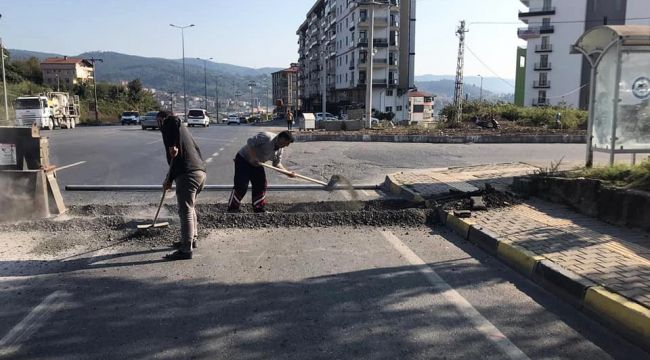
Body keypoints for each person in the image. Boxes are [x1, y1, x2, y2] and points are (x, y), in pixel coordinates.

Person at [157, 111, 207, 261]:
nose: (158, 124)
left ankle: (186, 249)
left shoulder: (170, 122)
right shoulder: (184, 132)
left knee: (185, 211)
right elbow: (179, 159)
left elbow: (173, 120)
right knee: (190, 208)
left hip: (188, 175)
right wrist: (169, 179)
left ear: (161, 119)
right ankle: (192, 239)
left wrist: (171, 144)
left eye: (158, 121)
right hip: (199, 173)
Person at [228, 131, 295, 213]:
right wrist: (253, 157)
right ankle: (233, 208)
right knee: (241, 185)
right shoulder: (267, 137)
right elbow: (250, 142)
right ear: (280, 138)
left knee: (261, 184)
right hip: (243, 159)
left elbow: (277, 164)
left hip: (257, 163)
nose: (287, 145)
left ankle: (258, 208)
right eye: (286, 142)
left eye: (288, 144)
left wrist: (287, 173)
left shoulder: (280, 149)